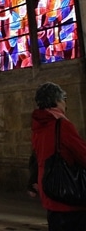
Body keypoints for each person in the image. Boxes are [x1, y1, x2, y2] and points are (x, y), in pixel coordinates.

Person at [31, 82, 86, 230]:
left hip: (50, 191)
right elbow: (82, 154)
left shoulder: (38, 127)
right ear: (56, 101)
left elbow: (37, 157)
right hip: (68, 195)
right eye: (64, 99)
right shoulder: (62, 125)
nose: (65, 104)